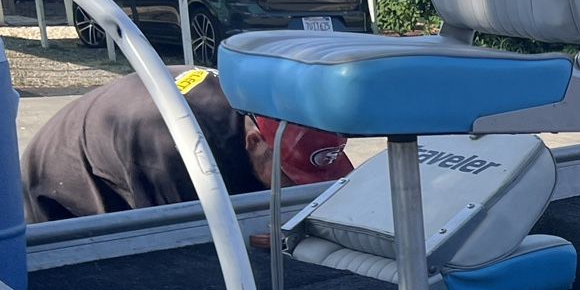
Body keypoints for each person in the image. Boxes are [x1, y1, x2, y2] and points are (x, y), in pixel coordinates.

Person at [21, 66, 353, 223]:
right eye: (290, 179)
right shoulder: (176, 152)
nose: (296, 189)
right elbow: (184, 244)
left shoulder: (254, 109)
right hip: (57, 200)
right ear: (254, 140)